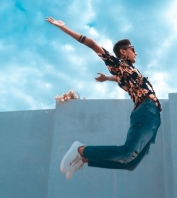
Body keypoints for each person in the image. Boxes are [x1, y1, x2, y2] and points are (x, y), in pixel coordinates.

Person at [46, 16, 162, 179]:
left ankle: (84, 159)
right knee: (126, 152)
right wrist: (64, 28)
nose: (136, 52)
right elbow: (93, 44)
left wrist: (107, 78)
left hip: (154, 118)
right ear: (123, 51)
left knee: (130, 163)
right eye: (133, 49)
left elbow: (121, 79)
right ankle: (80, 150)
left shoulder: (128, 73)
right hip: (146, 110)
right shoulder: (119, 64)